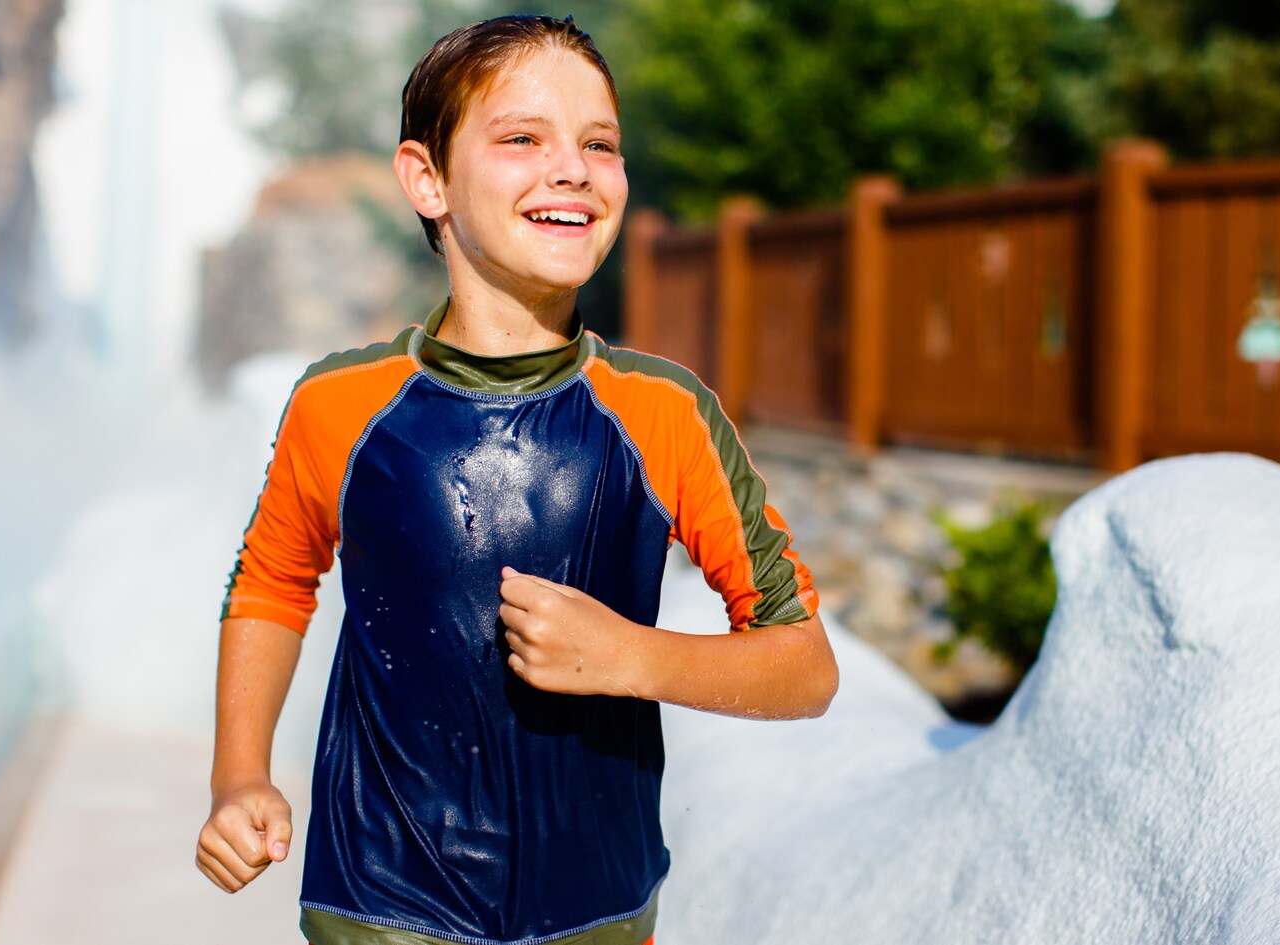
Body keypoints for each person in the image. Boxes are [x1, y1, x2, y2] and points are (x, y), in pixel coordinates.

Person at [194, 15, 838, 945]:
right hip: (379, 911)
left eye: (599, 144)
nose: (571, 168)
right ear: (427, 179)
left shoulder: (662, 413)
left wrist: (631, 656)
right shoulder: (342, 404)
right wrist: (239, 775)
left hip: (598, 917)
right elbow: (271, 584)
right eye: (522, 139)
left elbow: (804, 664)